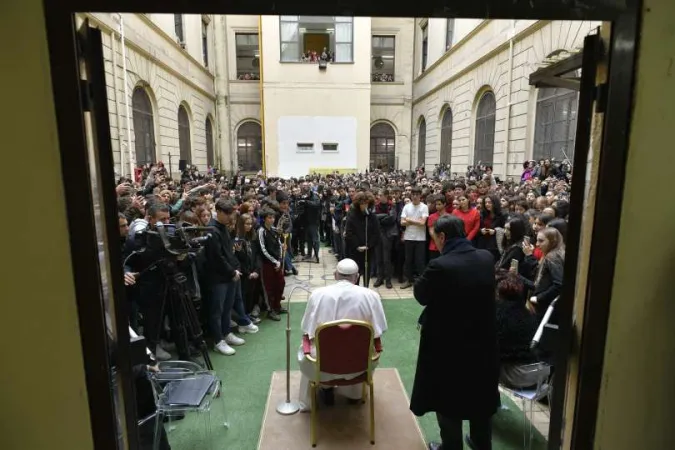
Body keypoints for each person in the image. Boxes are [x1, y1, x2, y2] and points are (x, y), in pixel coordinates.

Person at [410, 215, 499, 450]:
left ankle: (451, 446)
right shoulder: (486, 258)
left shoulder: (440, 266)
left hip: (448, 345)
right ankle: (482, 443)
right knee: (480, 392)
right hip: (483, 341)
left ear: (442, 237)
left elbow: (421, 295)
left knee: (447, 396)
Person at [297, 259, 387, 411]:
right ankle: (355, 394)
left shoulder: (318, 295)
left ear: (335, 275)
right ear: (357, 277)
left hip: (322, 365)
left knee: (309, 345)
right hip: (360, 364)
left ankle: (324, 388)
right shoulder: (372, 296)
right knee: (359, 346)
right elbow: (379, 331)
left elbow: (307, 330)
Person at [344, 191, 381, 287]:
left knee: (367, 271)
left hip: (368, 249)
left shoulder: (372, 217)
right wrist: (357, 246)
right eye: (362, 203)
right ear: (358, 204)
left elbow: (376, 233)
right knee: (356, 271)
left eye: (366, 203)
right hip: (355, 250)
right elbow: (349, 233)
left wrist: (368, 245)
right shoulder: (352, 215)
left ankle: (366, 288)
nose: (364, 205)